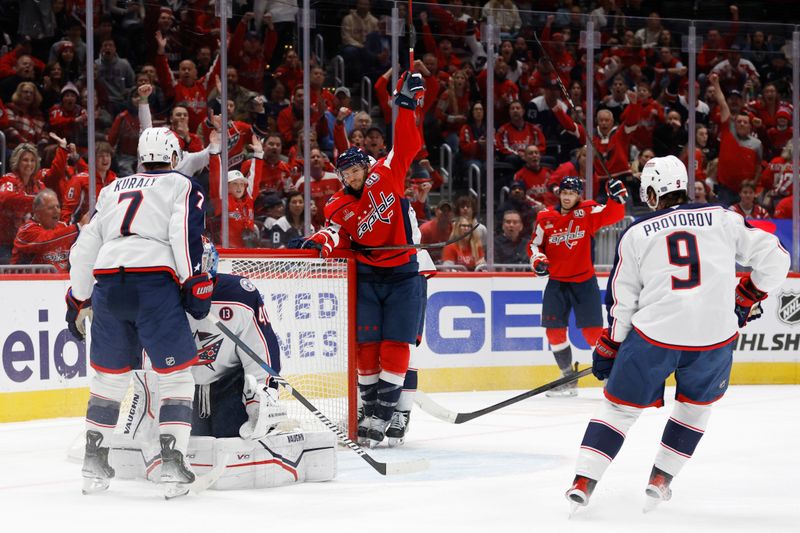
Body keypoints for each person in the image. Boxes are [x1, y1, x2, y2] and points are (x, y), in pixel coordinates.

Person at [566, 155, 790, 512]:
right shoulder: (723, 218)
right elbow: (778, 259)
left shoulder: (636, 233)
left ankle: (583, 482)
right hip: (715, 338)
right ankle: (660, 479)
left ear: (653, 192)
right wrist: (748, 294)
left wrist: (611, 346)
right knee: (693, 412)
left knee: (619, 410)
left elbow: (624, 302)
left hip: (655, 337)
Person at [67, 127, 213, 499]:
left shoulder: (112, 188)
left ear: (140, 156)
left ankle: (93, 462)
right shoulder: (181, 185)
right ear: (175, 157)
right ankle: (173, 464)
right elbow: (183, 235)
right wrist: (194, 284)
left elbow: (85, 245)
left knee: (108, 380)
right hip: (153, 285)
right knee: (176, 377)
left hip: (108, 284)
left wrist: (78, 298)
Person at [303, 71, 426, 446]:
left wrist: (404, 106)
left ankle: (392, 413)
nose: (352, 177)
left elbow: (406, 143)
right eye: (346, 173)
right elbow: (337, 232)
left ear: (367, 167)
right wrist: (317, 242)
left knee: (397, 343)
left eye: (356, 170)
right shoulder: (338, 202)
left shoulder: (387, 174)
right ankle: (372, 411)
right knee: (366, 348)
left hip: (405, 272)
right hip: (369, 277)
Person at [528, 175, 628, 396]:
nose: (567, 197)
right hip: (557, 283)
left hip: (584, 282)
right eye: (564, 193)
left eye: (571, 193)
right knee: (554, 333)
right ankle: (567, 377)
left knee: (593, 334)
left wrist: (617, 198)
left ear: (578, 195)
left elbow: (613, 214)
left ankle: (612, 377)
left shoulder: (587, 212)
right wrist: (537, 260)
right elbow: (535, 246)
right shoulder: (545, 217)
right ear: (559, 194)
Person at [11, 189, 88, 271]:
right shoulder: (26, 231)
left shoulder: (62, 227)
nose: (57, 211)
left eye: (58, 207)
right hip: (28, 281)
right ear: (37, 212)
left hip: (62, 281)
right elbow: (47, 240)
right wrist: (78, 227)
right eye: (51, 208)